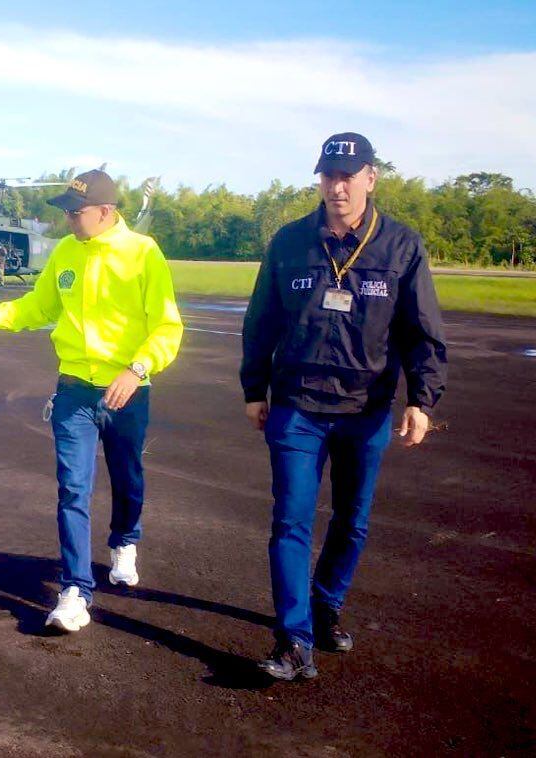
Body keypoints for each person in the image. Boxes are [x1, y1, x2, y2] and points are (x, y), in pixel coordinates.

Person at [241, 132, 448, 681]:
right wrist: (252, 390)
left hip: (366, 410)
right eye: (328, 175)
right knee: (290, 521)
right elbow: (261, 321)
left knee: (352, 521)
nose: (336, 185)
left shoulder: (401, 246)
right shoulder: (289, 242)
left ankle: (326, 605)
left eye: (347, 175)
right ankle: (293, 642)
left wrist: (421, 399)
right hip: (296, 406)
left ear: (370, 178)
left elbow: (421, 330)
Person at [0, 169, 183, 633]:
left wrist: (137, 369)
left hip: (128, 390)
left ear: (106, 212)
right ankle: (75, 590)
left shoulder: (142, 254)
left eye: (76, 211)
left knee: (128, 476)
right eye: (67, 210)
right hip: (73, 391)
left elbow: (168, 326)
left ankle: (125, 539)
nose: (68, 218)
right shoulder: (66, 252)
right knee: (73, 488)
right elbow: (40, 306)